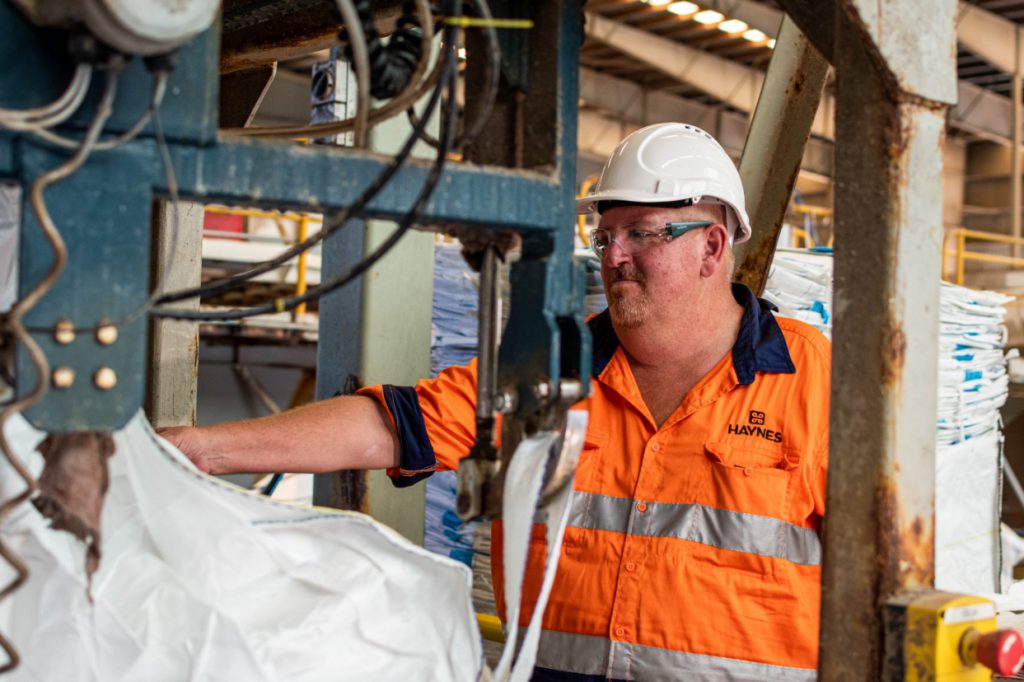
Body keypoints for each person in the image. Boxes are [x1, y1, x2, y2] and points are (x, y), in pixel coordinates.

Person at [162, 122, 831, 681]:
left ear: (712, 245)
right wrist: (206, 449)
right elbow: (395, 424)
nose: (613, 255)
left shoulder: (818, 384)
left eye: (643, 233)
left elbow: (876, 577)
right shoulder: (549, 368)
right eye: (606, 236)